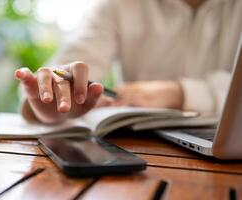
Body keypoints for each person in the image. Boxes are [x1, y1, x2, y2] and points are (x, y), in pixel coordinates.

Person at [14, 0, 242, 124]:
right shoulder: (115, 5)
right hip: (143, 151)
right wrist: (51, 102)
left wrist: (180, 93)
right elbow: (63, 68)